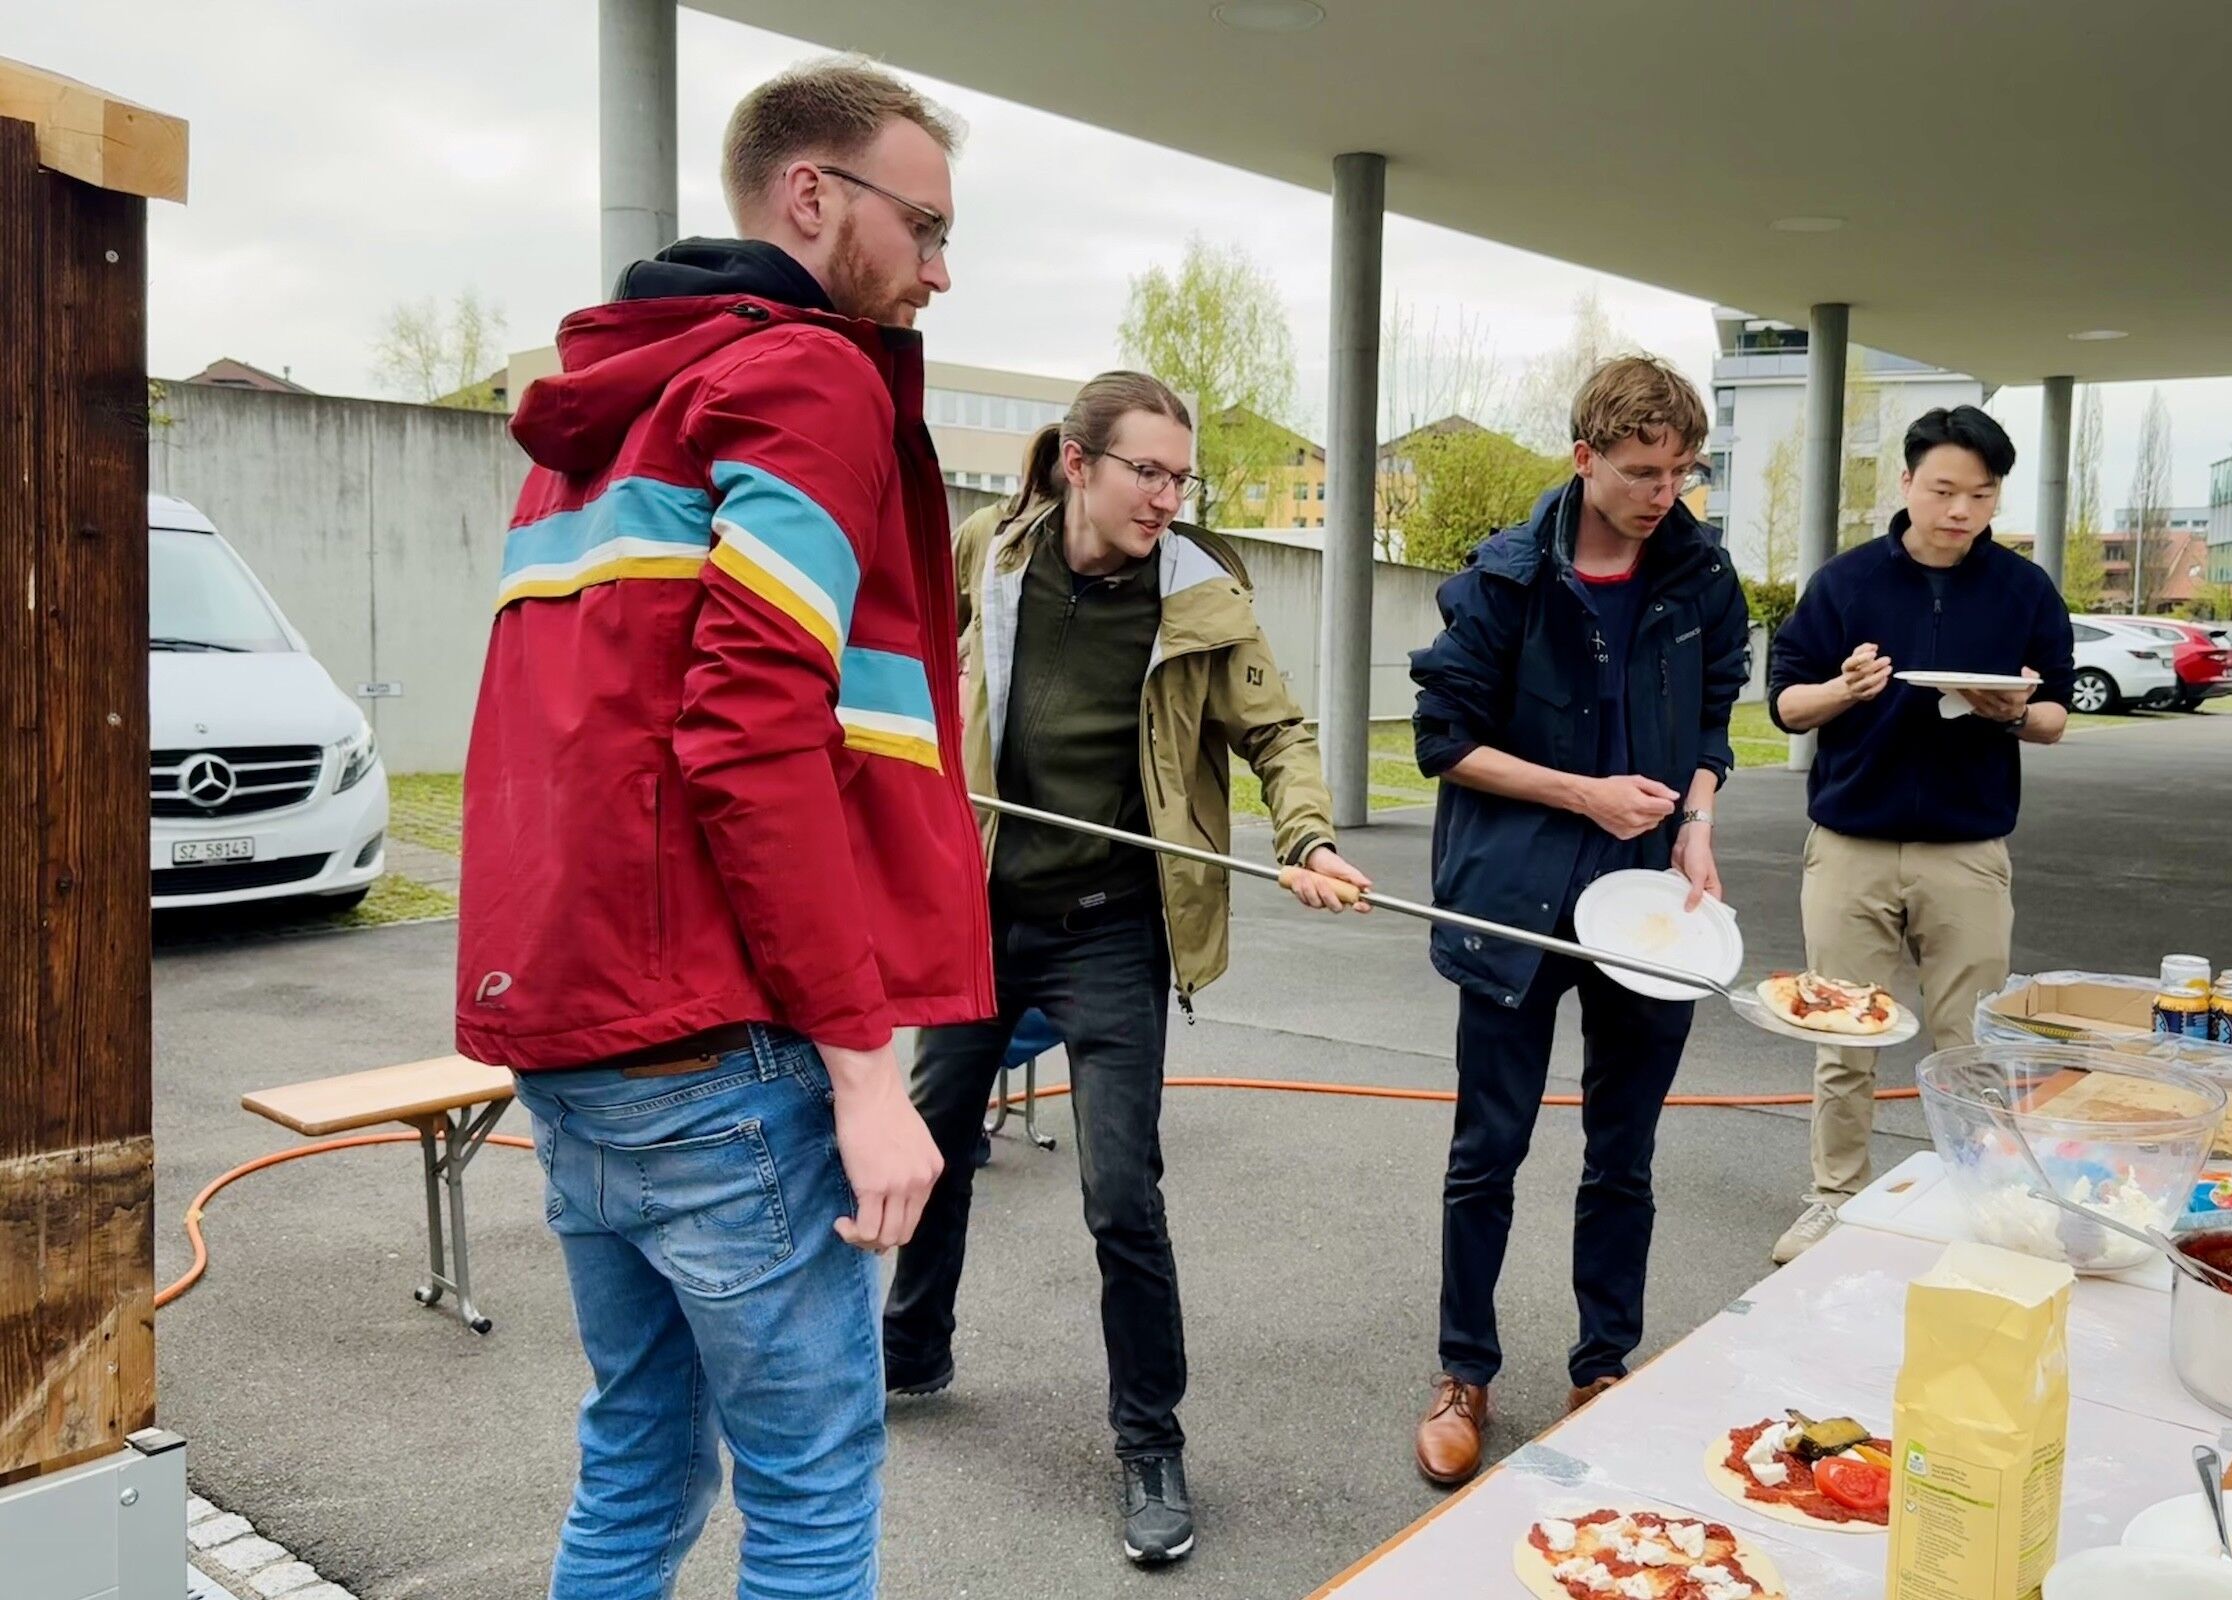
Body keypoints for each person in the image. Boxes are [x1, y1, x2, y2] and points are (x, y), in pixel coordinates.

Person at [454, 58, 985, 1600]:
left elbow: (563, 742)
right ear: (811, 197)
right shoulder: (805, 377)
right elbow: (752, 739)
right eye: (926, 227)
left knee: (638, 1458)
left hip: (579, 1038)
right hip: (729, 1046)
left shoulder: (600, 423)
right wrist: (868, 1071)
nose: (939, 272)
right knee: (812, 1491)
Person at [884, 370, 1372, 1565]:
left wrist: (1304, 830)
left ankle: (1149, 1441)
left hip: (1113, 926)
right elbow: (894, 656)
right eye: (1146, 471)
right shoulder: (987, 556)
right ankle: (910, 1346)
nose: (1166, 495)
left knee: (1120, 1196)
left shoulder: (1202, 593)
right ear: (1077, 467)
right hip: (983, 907)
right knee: (931, 1138)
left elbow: (1277, 731)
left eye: (1179, 476)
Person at [1406, 356, 1751, 1488]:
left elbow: (1713, 717)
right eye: (1643, 470)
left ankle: (1604, 1370)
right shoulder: (1505, 580)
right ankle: (1464, 1374)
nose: (1665, 492)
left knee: (1624, 1157)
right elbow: (1442, 742)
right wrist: (1585, 793)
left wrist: (1695, 818)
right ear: (1584, 457)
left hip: (1653, 912)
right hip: (1517, 906)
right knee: (1487, 1152)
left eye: (1681, 470)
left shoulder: (1701, 575)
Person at [1766, 406, 2071, 1264]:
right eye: (1943, 489)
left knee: (1969, 1044)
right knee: (1842, 1033)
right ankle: (1833, 1197)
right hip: (1851, 844)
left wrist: (2014, 713)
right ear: (1905, 484)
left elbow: (2057, 713)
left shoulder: (2022, 590)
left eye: (1981, 494)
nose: (1961, 510)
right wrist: (1845, 690)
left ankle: (1978, 1202)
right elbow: (1786, 703)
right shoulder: (1846, 582)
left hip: (1967, 849)